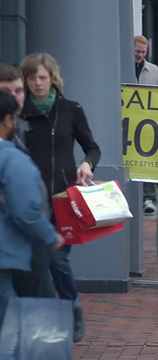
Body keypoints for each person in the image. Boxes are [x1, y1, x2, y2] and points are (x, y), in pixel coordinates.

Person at [20, 52, 102, 343]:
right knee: (36, 263)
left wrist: (86, 165)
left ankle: (72, 308)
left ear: (52, 78)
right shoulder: (19, 114)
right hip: (29, 200)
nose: (38, 84)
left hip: (63, 199)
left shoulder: (70, 109)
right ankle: (42, 321)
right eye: (32, 78)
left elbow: (92, 147)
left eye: (42, 77)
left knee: (57, 261)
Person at [0, 90, 64, 328]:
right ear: (8, 120)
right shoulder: (12, 159)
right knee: (11, 331)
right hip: (5, 254)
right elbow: (25, 211)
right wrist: (50, 236)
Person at [134, 36, 158, 214]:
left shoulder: (153, 70)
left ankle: (149, 198)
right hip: (127, 120)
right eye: (137, 51)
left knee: (146, 159)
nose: (139, 55)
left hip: (147, 121)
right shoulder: (121, 65)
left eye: (143, 52)